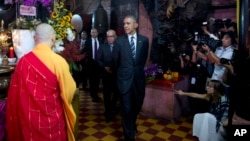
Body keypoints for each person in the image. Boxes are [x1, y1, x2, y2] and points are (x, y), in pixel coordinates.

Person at [6, 23, 76, 141]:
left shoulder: (23, 62)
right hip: (52, 120)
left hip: (28, 120)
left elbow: (15, 95)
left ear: (34, 38)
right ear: (53, 38)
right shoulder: (59, 62)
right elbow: (69, 92)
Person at [112, 15, 149, 141]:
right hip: (124, 81)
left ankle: (132, 124)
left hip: (138, 80)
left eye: (128, 23)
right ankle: (129, 136)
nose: (125, 26)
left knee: (137, 105)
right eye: (124, 24)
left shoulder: (144, 40)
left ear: (136, 25)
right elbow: (115, 62)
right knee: (126, 108)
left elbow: (142, 60)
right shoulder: (119, 41)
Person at [97, 29, 119, 122]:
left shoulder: (119, 47)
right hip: (106, 75)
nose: (110, 38)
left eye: (112, 36)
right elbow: (98, 60)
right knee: (106, 95)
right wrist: (104, 67)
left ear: (115, 36)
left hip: (117, 75)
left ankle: (113, 108)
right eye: (108, 36)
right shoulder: (102, 47)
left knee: (116, 94)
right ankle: (107, 113)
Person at [83, 28, 103, 102]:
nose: (94, 33)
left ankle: (96, 94)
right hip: (90, 63)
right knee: (91, 80)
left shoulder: (101, 41)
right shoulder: (87, 42)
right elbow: (85, 52)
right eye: (92, 32)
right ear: (90, 33)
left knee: (97, 80)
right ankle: (93, 95)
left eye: (95, 32)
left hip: (99, 63)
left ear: (97, 33)